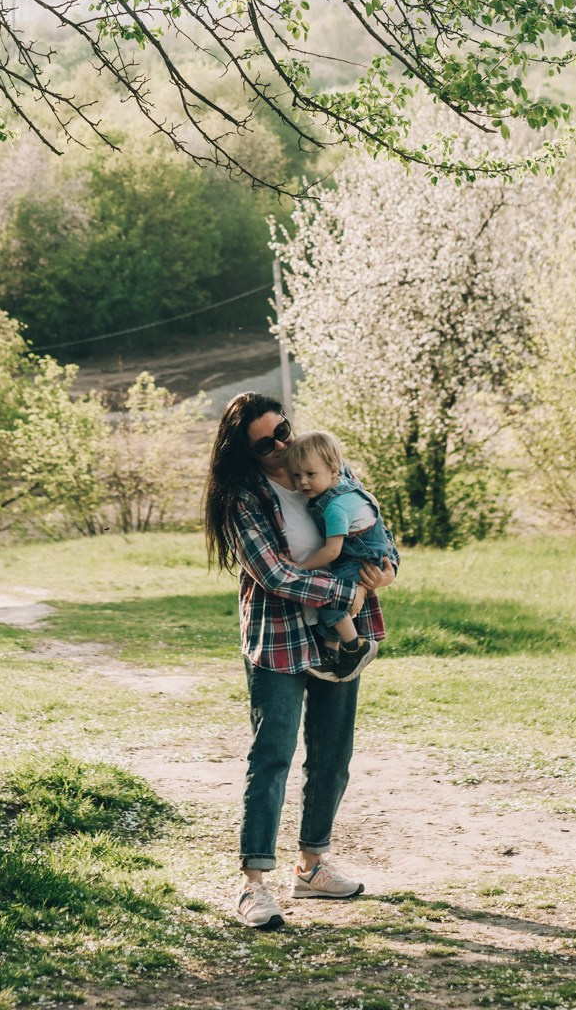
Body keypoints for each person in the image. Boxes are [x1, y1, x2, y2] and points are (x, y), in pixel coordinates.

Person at [203, 392, 398, 931]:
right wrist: (344, 590)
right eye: (265, 443)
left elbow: (376, 533)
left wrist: (384, 571)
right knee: (272, 757)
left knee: (333, 756)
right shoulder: (242, 497)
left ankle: (312, 867)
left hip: (340, 635)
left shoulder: (326, 460)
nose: (280, 445)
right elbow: (275, 575)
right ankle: (253, 885)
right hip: (279, 638)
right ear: (245, 452)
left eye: (282, 429)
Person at [284, 429, 395, 682]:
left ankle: (355, 647)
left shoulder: (335, 506)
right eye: (297, 475)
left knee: (329, 600)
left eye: (311, 474)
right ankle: (331, 654)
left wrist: (300, 566)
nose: (303, 482)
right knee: (332, 595)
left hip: (360, 557)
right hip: (361, 551)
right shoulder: (341, 489)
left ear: (334, 470)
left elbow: (331, 551)